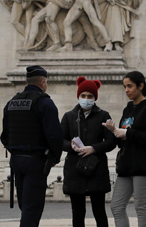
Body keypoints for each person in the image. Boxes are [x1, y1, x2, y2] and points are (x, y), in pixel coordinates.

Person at [1, 65, 63, 227]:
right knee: (32, 208)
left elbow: (4, 135)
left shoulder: (11, 103)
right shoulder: (45, 102)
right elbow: (54, 135)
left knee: (25, 205)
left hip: (16, 160)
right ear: (42, 83)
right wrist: (55, 157)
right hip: (35, 161)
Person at [103, 71, 146, 227]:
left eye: (130, 86)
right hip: (126, 165)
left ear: (140, 86)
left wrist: (128, 133)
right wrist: (115, 132)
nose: (126, 90)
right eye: (125, 86)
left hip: (144, 166)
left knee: (141, 207)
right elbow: (124, 138)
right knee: (116, 206)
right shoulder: (128, 109)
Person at [60, 77, 116, 227]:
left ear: (95, 97)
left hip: (96, 168)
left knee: (99, 211)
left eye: (90, 96)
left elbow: (111, 141)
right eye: (83, 95)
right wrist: (71, 146)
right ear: (78, 96)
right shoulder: (69, 116)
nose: (86, 99)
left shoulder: (104, 115)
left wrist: (94, 148)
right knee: (77, 212)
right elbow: (60, 141)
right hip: (75, 168)